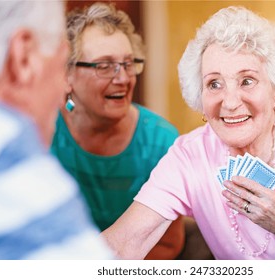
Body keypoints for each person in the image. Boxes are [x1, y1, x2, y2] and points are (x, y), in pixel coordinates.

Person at [102, 6, 275, 260]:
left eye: (247, 80)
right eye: (214, 84)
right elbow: (125, 243)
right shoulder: (190, 155)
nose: (230, 102)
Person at [50, 2, 185, 260]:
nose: (123, 78)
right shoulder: (42, 130)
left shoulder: (161, 141)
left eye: (128, 63)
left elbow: (167, 245)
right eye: (104, 65)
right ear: (67, 74)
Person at [0, 1, 113, 259]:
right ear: (23, 58)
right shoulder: (10, 150)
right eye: (63, 65)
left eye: (128, 64)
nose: (64, 91)